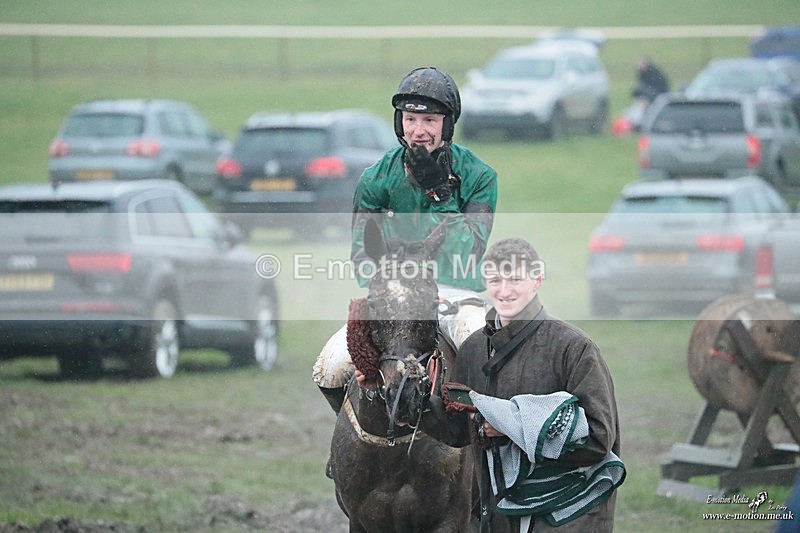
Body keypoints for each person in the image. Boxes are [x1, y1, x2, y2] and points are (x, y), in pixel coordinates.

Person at [404, 237, 624, 532]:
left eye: (515, 279)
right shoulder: (473, 349)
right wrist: (411, 400)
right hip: (496, 516)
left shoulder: (575, 348)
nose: (504, 291)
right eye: (495, 280)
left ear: (538, 280)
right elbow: (457, 430)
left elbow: (599, 438)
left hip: (568, 516)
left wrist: (511, 425)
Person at [313, 66, 498, 416]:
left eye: (429, 120)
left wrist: (440, 194)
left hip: (455, 295)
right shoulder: (375, 179)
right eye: (410, 119)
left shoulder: (480, 177)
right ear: (399, 123)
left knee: (486, 358)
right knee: (330, 369)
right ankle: (358, 438)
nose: (419, 130)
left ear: (447, 125)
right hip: (392, 296)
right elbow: (362, 257)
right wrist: (398, 291)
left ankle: (488, 447)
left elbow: (470, 252)